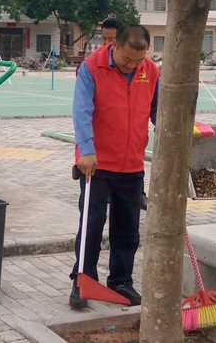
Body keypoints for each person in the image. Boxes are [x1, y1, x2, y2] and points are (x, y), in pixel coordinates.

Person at [69, 25, 159, 309]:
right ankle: (83, 280)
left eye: (138, 60)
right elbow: (81, 111)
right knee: (91, 225)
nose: (132, 65)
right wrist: (86, 150)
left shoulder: (150, 70)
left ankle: (121, 281)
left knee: (128, 229)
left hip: (131, 164)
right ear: (115, 46)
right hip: (96, 164)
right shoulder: (92, 67)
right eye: (127, 59)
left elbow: (158, 111)